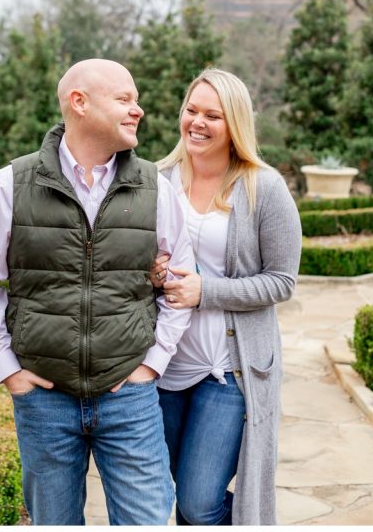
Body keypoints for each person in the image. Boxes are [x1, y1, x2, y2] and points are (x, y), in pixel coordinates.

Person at [0, 58, 195, 525]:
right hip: (43, 400)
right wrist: (7, 370)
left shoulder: (156, 190)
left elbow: (180, 283)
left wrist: (152, 364)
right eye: (124, 99)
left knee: (146, 520)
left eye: (136, 100)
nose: (138, 109)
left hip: (129, 396)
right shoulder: (12, 184)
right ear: (78, 103)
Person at [149, 68, 302, 525]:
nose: (197, 122)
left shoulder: (263, 187)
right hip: (163, 365)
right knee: (176, 488)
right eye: (191, 110)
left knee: (198, 502)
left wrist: (205, 291)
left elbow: (282, 280)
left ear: (234, 123)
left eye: (212, 115)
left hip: (228, 371)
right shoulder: (156, 179)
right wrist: (151, 272)